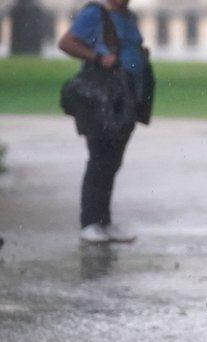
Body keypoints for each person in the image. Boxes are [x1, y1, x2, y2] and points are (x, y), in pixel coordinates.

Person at [58, 0, 146, 244]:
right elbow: (66, 43)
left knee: (112, 161)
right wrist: (98, 57)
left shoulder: (128, 16)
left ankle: (103, 222)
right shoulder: (95, 13)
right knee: (100, 159)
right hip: (102, 99)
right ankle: (89, 223)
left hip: (125, 99)